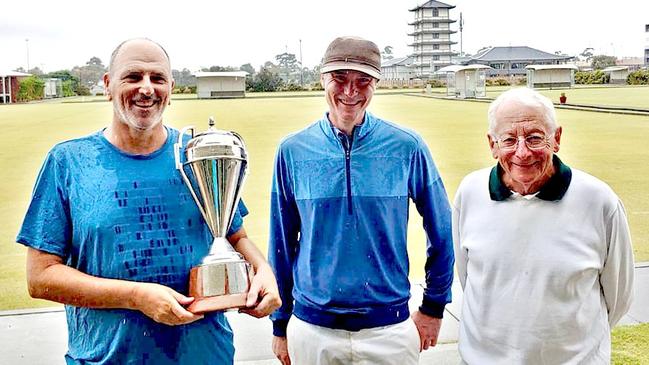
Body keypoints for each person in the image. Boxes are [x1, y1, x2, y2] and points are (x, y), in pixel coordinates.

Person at [16, 38, 280, 364]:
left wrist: (264, 270)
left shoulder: (198, 154)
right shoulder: (68, 161)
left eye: (157, 78)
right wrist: (136, 296)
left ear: (170, 87)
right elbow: (40, 278)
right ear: (108, 85)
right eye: (133, 76)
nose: (146, 88)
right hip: (105, 359)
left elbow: (234, 236)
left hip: (206, 355)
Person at [268, 36, 454, 365]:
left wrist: (433, 307)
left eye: (363, 80)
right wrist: (280, 324)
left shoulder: (407, 147)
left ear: (376, 84)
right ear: (323, 78)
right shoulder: (292, 151)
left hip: (391, 329)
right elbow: (281, 243)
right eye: (340, 78)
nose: (350, 92)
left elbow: (441, 230)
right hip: (313, 330)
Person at [453, 87, 634, 364]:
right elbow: (469, 279)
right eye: (510, 139)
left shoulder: (599, 201)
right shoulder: (469, 193)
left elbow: (619, 297)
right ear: (492, 144)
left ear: (556, 138)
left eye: (535, 138)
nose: (523, 153)